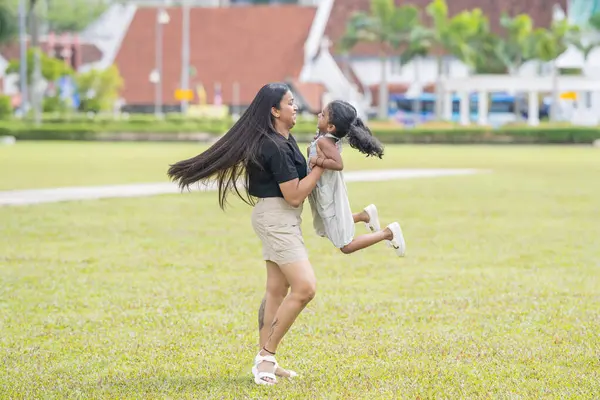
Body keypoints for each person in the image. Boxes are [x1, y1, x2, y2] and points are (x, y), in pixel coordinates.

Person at [167, 83, 325, 386]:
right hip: (277, 217)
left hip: (281, 218)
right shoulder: (274, 146)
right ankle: (266, 356)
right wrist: (319, 168)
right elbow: (293, 195)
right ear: (275, 111)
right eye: (290, 103)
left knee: (276, 291)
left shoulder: (284, 140)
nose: (296, 108)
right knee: (305, 288)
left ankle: (267, 360)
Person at [307, 100, 406, 256]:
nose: (319, 114)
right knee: (327, 227)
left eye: (323, 114)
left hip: (328, 196)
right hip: (324, 193)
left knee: (346, 246)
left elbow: (338, 164)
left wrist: (317, 161)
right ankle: (364, 215)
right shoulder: (326, 139)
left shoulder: (324, 142)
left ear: (331, 127)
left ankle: (388, 232)